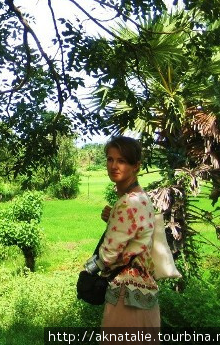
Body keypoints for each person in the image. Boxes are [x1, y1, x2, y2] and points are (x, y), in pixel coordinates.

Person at [85, 136, 160, 337]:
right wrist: (114, 221)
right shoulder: (142, 198)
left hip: (125, 296)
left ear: (136, 166)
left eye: (122, 161)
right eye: (110, 159)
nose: (114, 166)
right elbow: (134, 234)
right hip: (144, 292)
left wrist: (88, 269)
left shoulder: (127, 203)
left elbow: (108, 256)